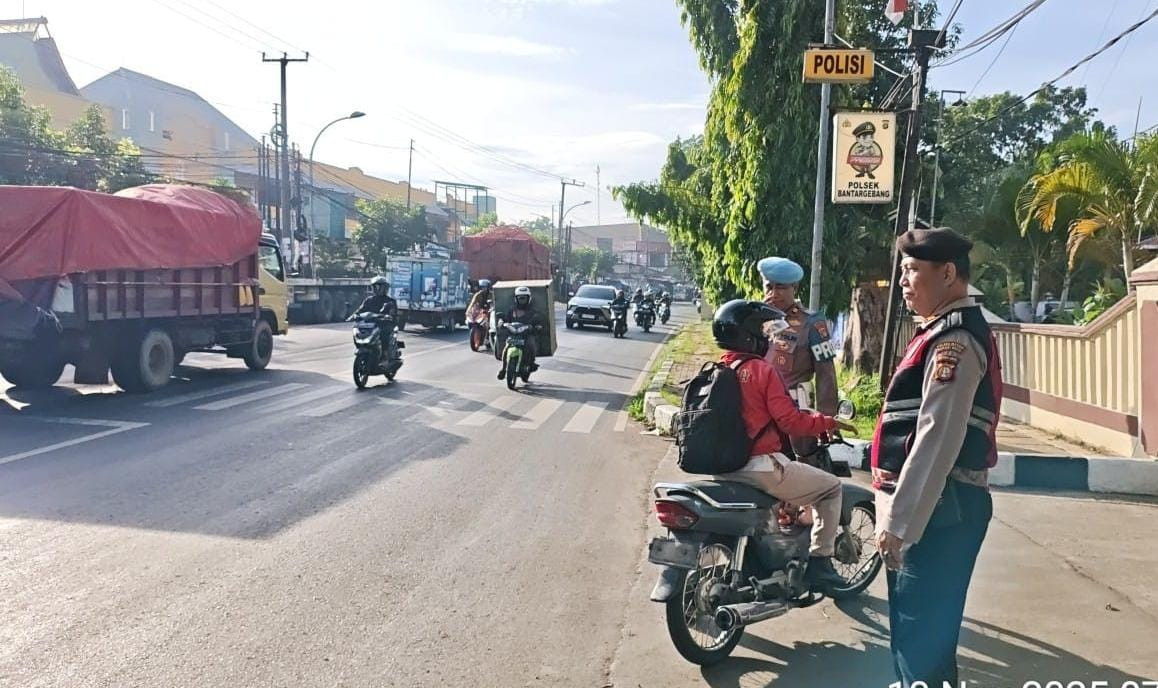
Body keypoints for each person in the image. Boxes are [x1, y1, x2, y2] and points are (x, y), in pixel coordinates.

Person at [872, 228, 1003, 688]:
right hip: (938, 506)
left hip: (941, 510)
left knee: (919, 643)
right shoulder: (938, 333)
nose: (904, 282)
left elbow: (936, 438)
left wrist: (899, 523)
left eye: (912, 271)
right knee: (923, 639)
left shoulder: (956, 341)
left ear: (947, 273)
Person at [653, 299, 855, 597]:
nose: (770, 340)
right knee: (830, 488)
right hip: (759, 467)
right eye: (765, 333)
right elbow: (789, 420)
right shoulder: (762, 371)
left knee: (783, 504)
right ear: (751, 337)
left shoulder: (714, 369)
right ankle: (820, 563)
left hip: (722, 469)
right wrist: (827, 423)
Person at [757, 257, 839, 462]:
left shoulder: (812, 322)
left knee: (806, 469)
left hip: (797, 412)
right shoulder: (757, 318)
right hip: (761, 412)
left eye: (781, 287)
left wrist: (827, 417)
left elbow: (826, 374)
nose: (774, 294)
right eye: (769, 287)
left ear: (795, 287)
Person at [497, 285, 544, 379]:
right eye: (520, 298)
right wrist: (502, 322)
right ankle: (503, 369)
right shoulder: (512, 310)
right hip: (514, 334)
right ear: (516, 299)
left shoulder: (533, 311)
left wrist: (537, 326)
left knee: (531, 344)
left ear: (528, 299)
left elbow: (539, 320)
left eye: (524, 298)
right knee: (506, 348)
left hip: (527, 335)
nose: (522, 300)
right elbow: (506, 319)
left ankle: (531, 363)